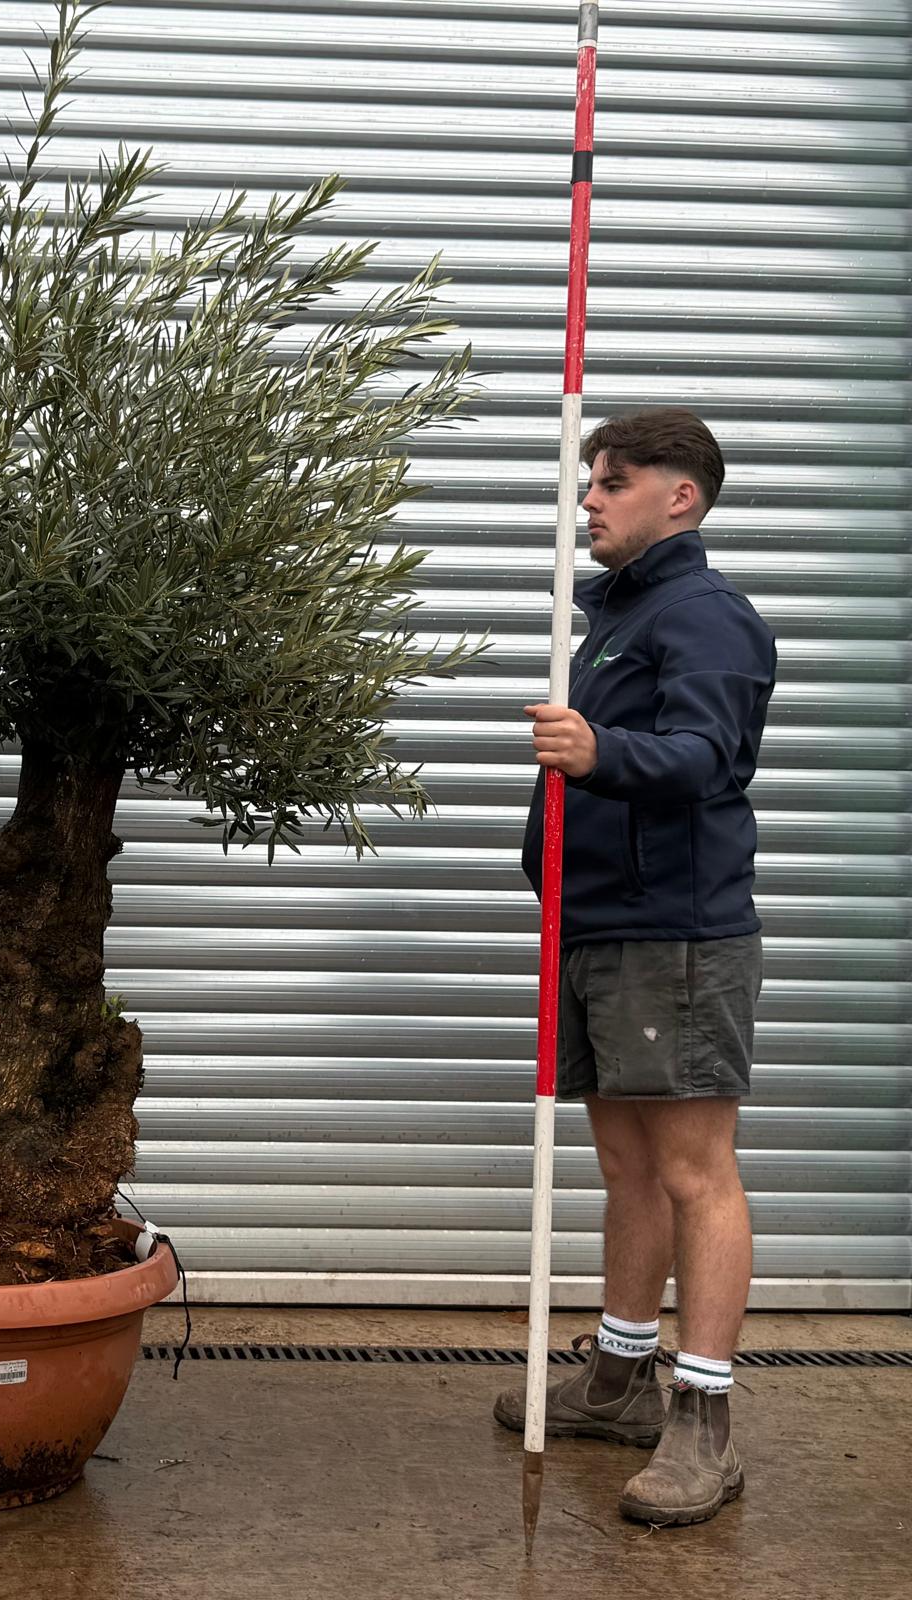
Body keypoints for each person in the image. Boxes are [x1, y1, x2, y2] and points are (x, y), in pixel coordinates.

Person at [493, 407, 778, 1526]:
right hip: (601, 924)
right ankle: (617, 1378)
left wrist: (598, 750)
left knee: (692, 1168)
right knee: (623, 1160)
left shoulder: (703, 615)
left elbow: (709, 758)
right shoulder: (621, 616)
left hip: (676, 932)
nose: (589, 500)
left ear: (680, 498)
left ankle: (702, 1421)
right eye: (588, 481)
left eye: (611, 481)